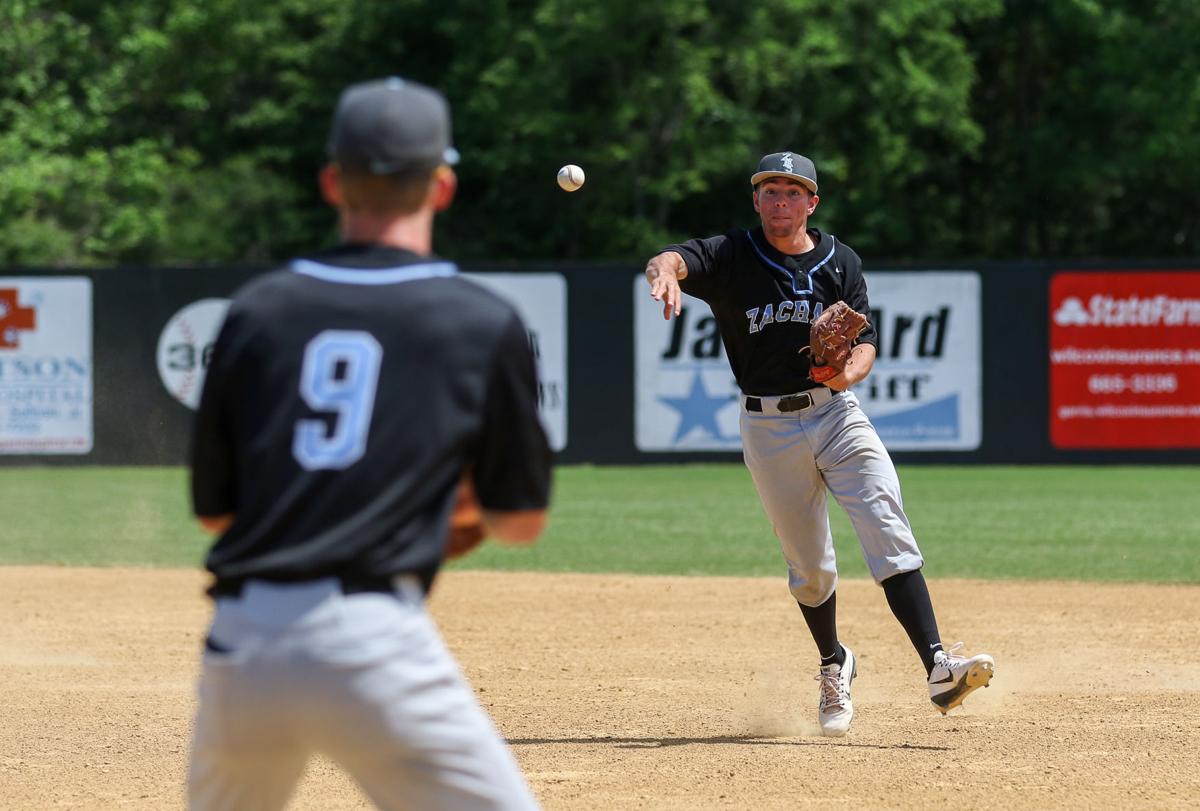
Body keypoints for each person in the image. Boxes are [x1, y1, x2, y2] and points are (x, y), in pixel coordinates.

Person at [187, 77, 552, 810]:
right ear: (442, 186)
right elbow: (520, 521)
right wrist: (439, 511)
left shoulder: (256, 311)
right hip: (373, 643)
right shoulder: (480, 320)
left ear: (331, 181)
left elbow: (214, 512)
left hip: (243, 645)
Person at [644, 151, 993, 737]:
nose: (780, 201)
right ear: (756, 200)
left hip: (835, 413)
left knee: (884, 519)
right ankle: (834, 662)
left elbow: (866, 341)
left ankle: (938, 666)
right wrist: (664, 273)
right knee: (809, 568)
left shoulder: (841, 261)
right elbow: (673, 257)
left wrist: (845, 375)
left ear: (812, 202)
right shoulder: (732, 254)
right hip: (768, 426)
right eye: (770, 190)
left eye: (792, 191)